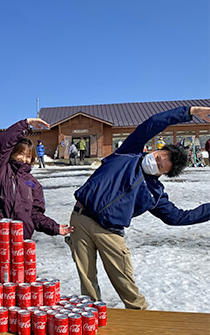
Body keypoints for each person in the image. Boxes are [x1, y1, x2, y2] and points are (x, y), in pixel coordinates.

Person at [66, 106, 210, 310]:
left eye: (160, 166)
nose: (155, 162)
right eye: (158, 156)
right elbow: (152, 123)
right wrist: (189, 112)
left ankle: (142, 320)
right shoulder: (129, 152)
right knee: (87, 281)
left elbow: (177, 217)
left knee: (125, 284)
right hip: (80, 219)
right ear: (157, 149)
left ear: (163, 174)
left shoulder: (154, 192)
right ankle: (91, 319)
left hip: (110, 233)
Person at [0, 117, 73, 239]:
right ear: (12, 153)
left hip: (21, 238)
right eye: (20, 153)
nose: (23, 159)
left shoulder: (34, 184)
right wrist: (25, 124)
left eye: (28, 156)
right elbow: (1, 142)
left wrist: (54, 227)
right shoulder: (1, 170)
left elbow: (35, 214)